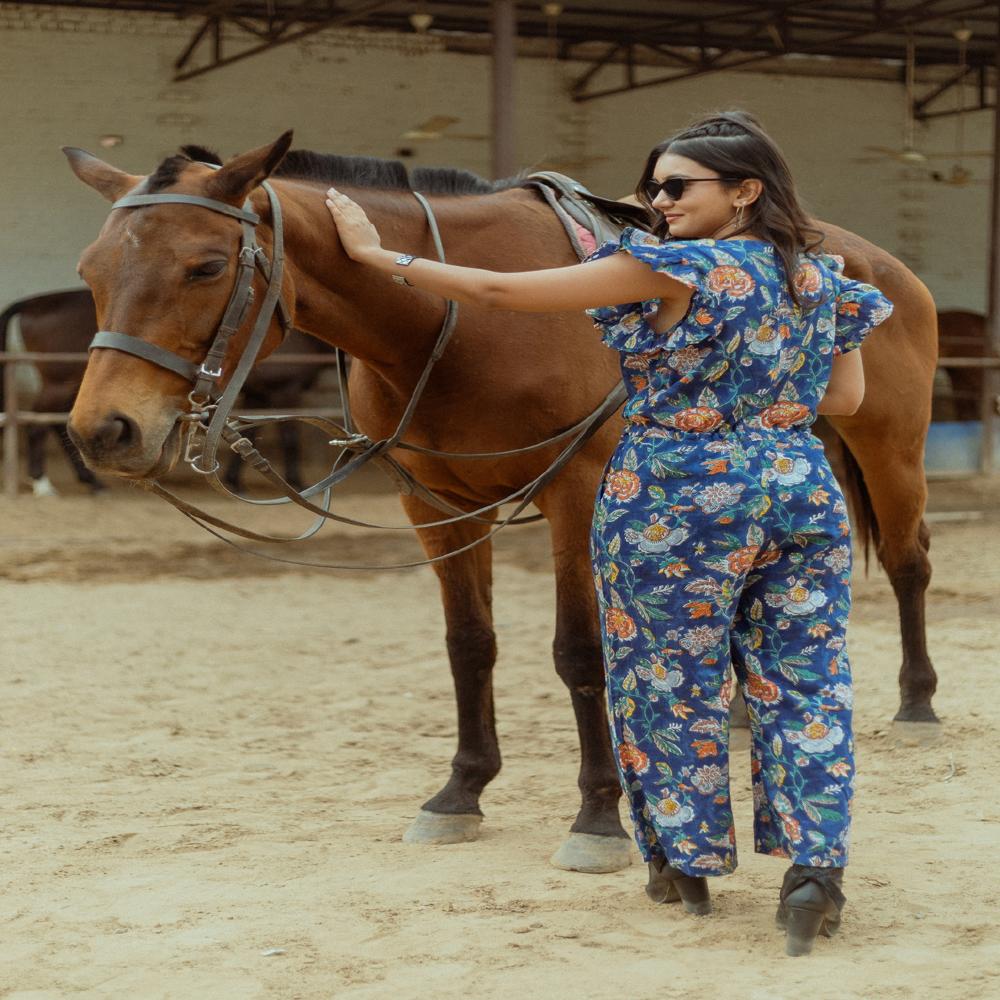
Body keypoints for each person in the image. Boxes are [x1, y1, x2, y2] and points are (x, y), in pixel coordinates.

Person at [324, 110, 892, 957]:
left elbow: (501, 293)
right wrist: (760, 398)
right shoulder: (823, 279)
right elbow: (841, 403)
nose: (655, 201)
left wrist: (378, 257)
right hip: (797, 486)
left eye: (675, 187)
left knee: (668, 678)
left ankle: (685, 865)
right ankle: (815, 875)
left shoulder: (671, 269)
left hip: (677, 492)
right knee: (806, 683)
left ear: (747, 190)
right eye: (653, 185)